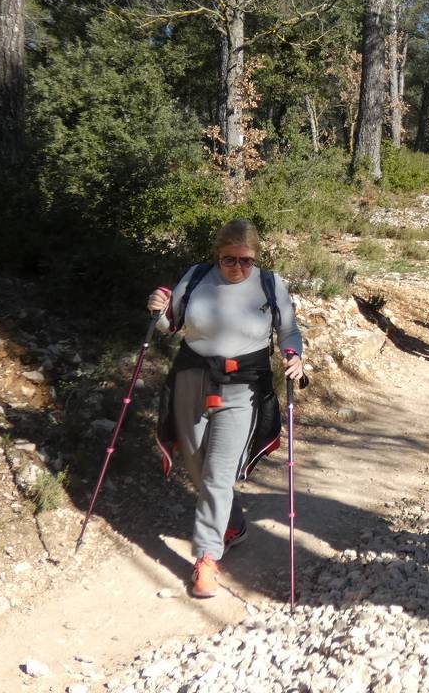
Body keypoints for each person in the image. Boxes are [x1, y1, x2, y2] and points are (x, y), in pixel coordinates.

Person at [147, 218, 304, 600]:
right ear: (217, 255)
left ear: (256, 258)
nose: (238, 268)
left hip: (243, 388)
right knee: (197, 466)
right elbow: (171, 323)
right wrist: (157, 309)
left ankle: (205, 557)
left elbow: (289, 330)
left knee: (218, 473)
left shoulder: (270, 284)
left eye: (246, 261)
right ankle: (232, 524)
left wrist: (294, 355)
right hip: (191, 380)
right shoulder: (198, 277)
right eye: (230, 260)